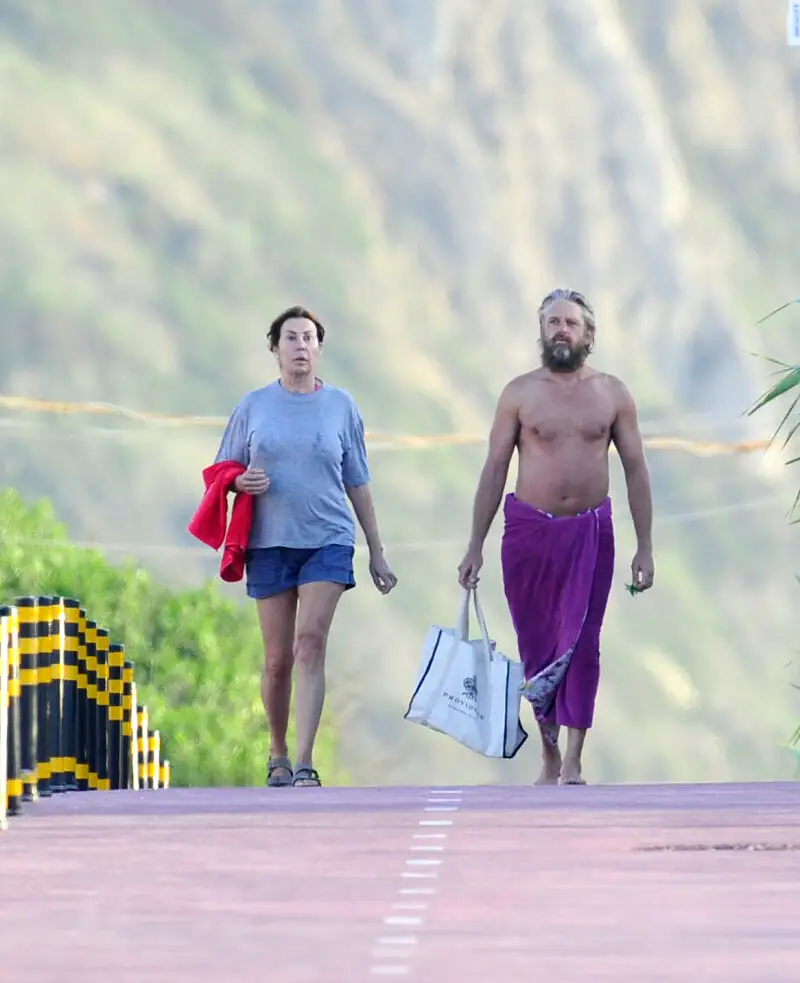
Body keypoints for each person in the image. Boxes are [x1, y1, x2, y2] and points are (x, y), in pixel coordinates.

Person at [457, 288, 654, 786]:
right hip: (528, 533)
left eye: (570, 323)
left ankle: (573, 758)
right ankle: (546, 751)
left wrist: (645, 546)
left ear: (589, 334)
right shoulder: (519, 394)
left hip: (591, 531)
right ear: (541, 331)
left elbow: (635, 470)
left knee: (584, 643)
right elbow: (495, 469)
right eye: (552, 322)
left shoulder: (613, 394)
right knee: (539, 642)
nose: (560, 330)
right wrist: (474, 545)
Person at [214, 305, 397, 788]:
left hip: (328, 539)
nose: (300, 346)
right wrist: (241, 481)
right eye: (290, 338)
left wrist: (376, 549)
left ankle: (305, 761)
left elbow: (357, 480)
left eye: (309, 338)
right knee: (278, 660)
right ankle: (276, 752)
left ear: (319, 348)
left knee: (310, 644)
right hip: (270, 543)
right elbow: (221, 471)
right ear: (275, 349)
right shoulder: (253, 406)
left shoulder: (341, 406)